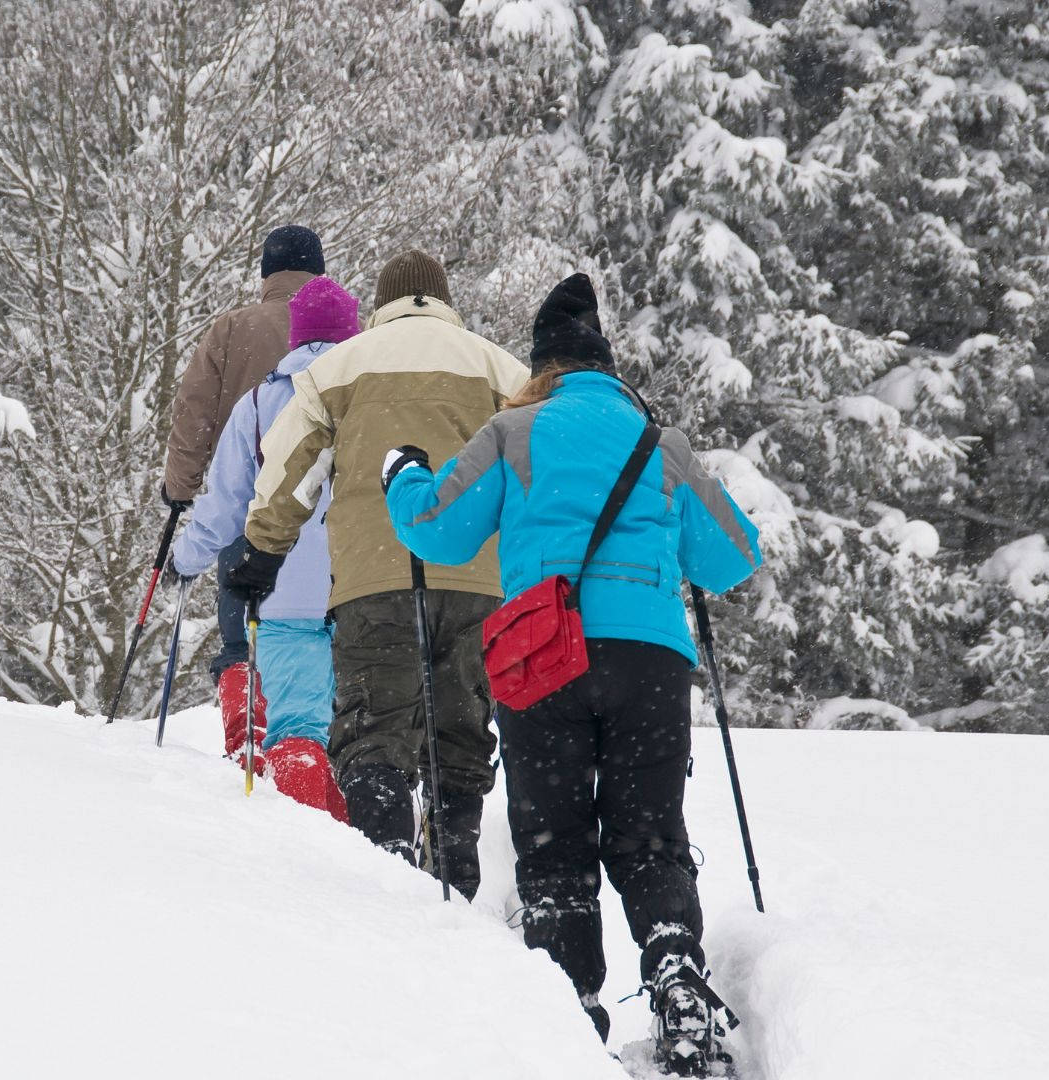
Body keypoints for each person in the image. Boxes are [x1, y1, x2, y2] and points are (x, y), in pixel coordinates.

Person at [379, 273, 762, 1069]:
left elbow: (437, 531)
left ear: (541, 369)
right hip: (650, 661)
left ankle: (567, 1016)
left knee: (552, 845)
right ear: (609, 370)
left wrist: (403, 474)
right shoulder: (659, 444)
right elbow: (732, 558)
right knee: (651, 838)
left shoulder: (514, 430)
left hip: (543, 659)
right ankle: (676, 971)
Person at [230, 250, 527, 900]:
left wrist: (262, 552)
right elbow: (543, 462)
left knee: (373, 733)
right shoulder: (498, 367)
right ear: (445, 299)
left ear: (383, 302)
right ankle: (456, 878)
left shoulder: (340, 366)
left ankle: (386, 878)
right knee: (460, 734)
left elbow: (286, 466)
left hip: (373, 582)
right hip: (478, 584)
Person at [169, 278, 360, 819]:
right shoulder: (373, 399)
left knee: (297, 727)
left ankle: (308, 847)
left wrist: (187, 560)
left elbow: (226, 504)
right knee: (364, 737)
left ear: (296, 336)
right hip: (366, 588)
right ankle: (374, 856)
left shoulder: (258, 403)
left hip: (284, 589)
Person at [163, 225, 324, 761]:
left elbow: (195, 411)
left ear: (265, 274)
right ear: (319, 271)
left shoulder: (234, 328)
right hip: (335, 526)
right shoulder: (354, 336)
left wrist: (180, 491)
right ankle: (315, 751)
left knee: (240, 641)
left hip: (248, 513)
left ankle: (245, 739)